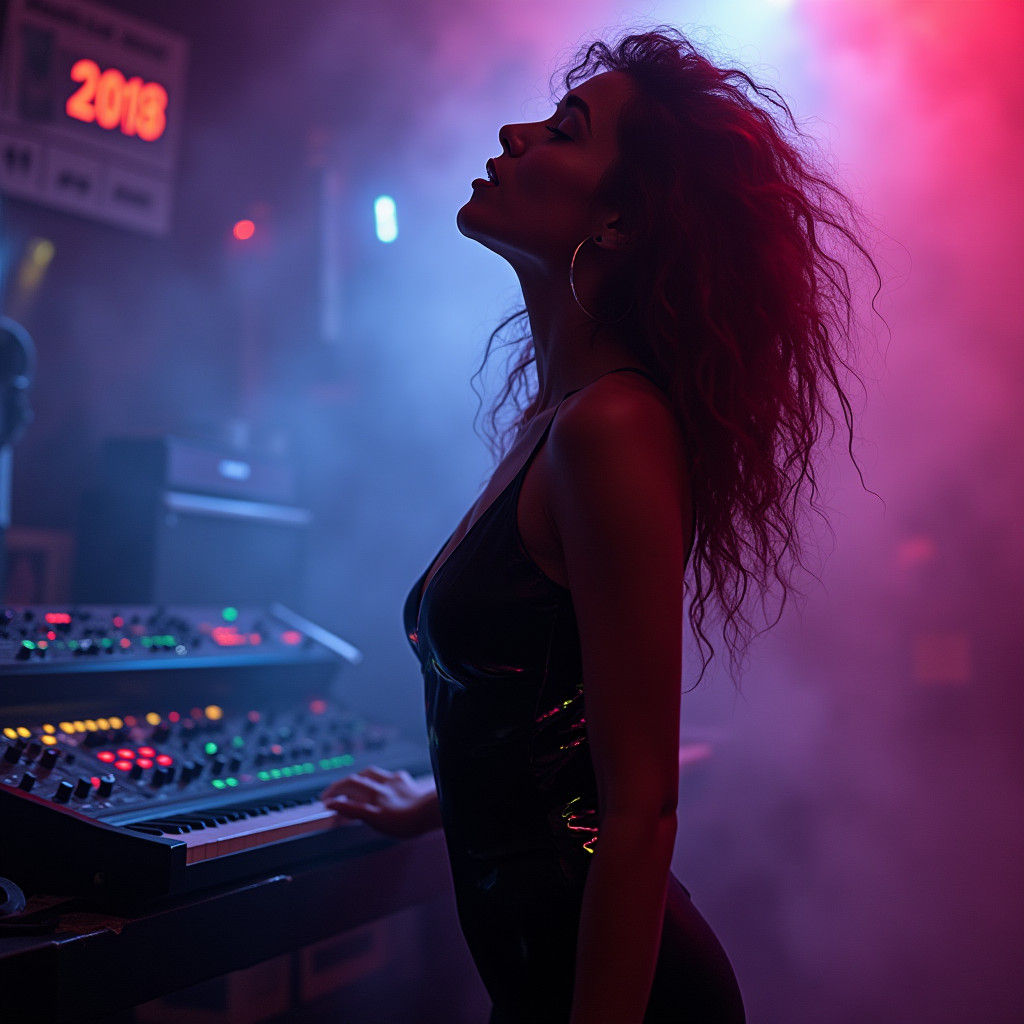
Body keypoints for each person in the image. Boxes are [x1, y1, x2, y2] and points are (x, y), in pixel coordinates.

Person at [321, 27, 877, 1024]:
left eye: (564, 129)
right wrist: (431, 802)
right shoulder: (561, 420)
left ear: (617, 218)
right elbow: (538, 716)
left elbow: (638, 808)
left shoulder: (612, 425)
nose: (514, 131)